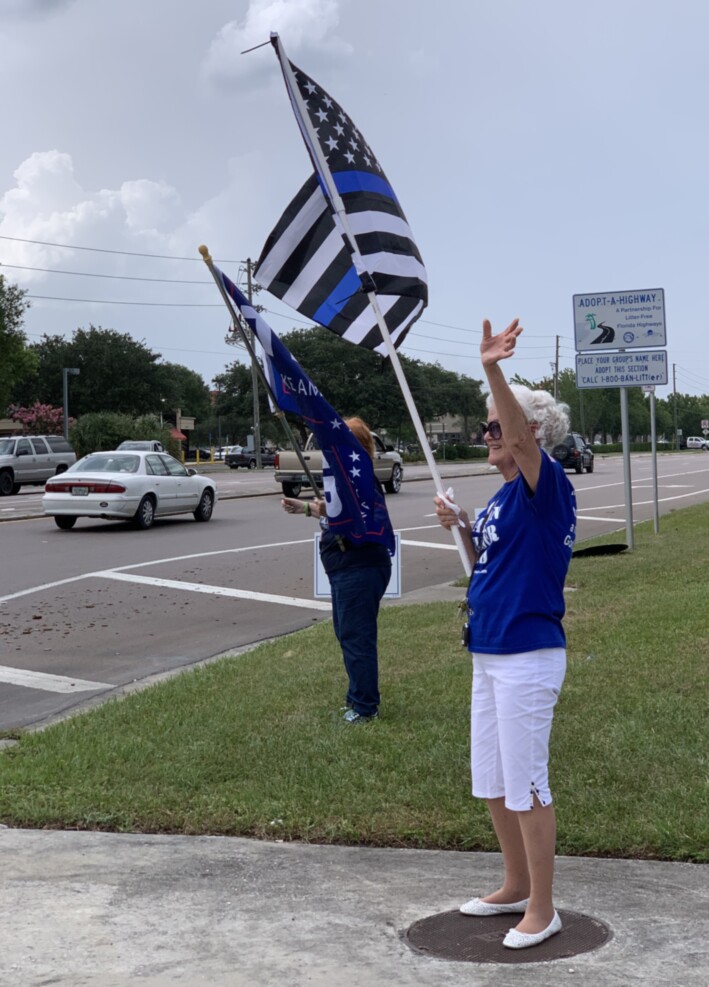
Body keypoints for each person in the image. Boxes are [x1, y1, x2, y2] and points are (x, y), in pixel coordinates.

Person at [435, 318, 577, 950]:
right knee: (492, 779)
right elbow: (486, 559)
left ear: (531, 434)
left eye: (495, 426)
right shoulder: (499, 499)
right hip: (488, 651)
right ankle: (515, 884)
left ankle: (543, 909)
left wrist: (493, 368)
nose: (487, 435)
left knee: (526, 782)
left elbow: (519, 440)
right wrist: (460, 526)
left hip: (527, 654)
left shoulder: (545, 485)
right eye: (488, 425)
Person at [282, 417, 392, 725]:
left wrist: (318, 513)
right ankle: (357, 697)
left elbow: (349, 519)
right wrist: (304, 508)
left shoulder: (358, 478)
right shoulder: (351, 478)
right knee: (348, 634)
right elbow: (335, 510)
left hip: (359, 568)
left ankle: (365, 707)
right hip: (350, 568)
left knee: (357, 637)